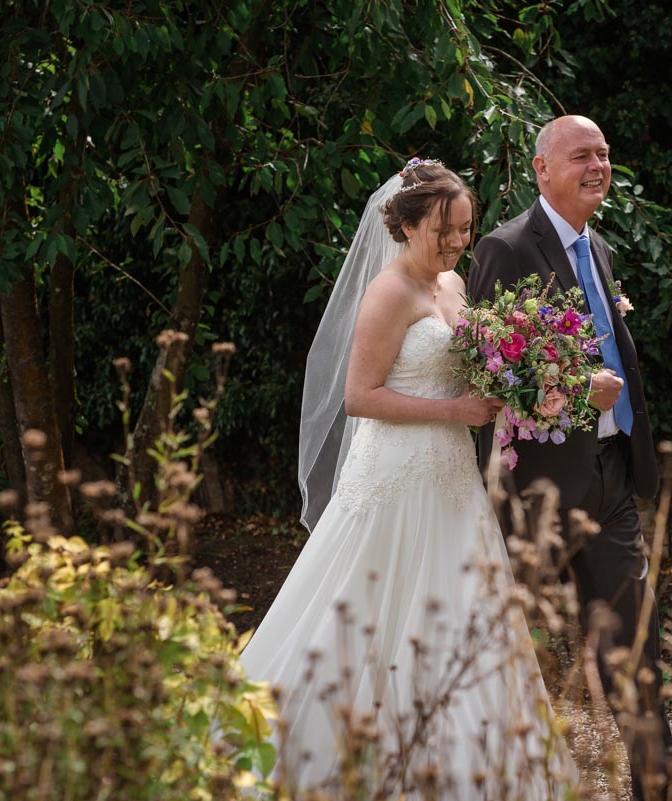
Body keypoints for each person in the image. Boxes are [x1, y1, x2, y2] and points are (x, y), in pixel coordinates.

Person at [241, 159, 578, 800]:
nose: (457, 241)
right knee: (364, 608)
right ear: (406, 223)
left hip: (452, 478)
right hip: (394, 474)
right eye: (444, 229)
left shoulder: (455, 285)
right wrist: (456, 411)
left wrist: (535, 384)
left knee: (463, 613)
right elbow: (360, 397)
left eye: (464, 228)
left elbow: (477, 371)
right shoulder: (388, 292)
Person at [468, 116, 672, 801]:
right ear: (541, 168)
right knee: (501, 642)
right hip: (535, 484)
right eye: (581, 154)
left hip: (612, 474)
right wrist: (570, 391)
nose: (598, 165)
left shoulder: (601, 248)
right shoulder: (505, 249)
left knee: (630, 637)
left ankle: (660, 786)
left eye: (605, 154)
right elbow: (487, 372)